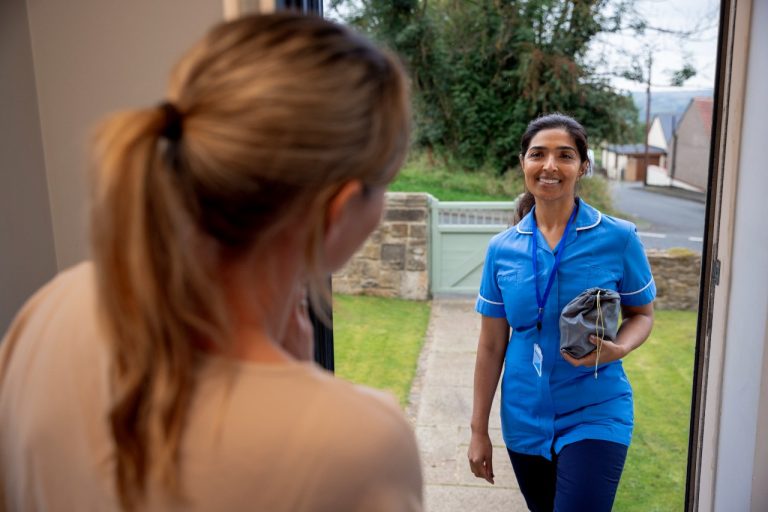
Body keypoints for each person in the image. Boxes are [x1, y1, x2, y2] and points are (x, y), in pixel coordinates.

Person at [0, 13, 422, 512]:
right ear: (338, 210)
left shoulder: (47, 309)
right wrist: (305, 392)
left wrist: (295, 379)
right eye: (385, 183)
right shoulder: (359, 443)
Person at [467, 113, 655, 512]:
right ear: (524, 163)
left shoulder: (618, 238)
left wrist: (619, 348)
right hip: (523, 417)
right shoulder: (502, 250)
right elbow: (490, 346)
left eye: (564, 155)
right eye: (538, 154)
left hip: (596, 409)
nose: (550, 166)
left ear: (583, 166)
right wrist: (478, 431)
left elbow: (643, 314)